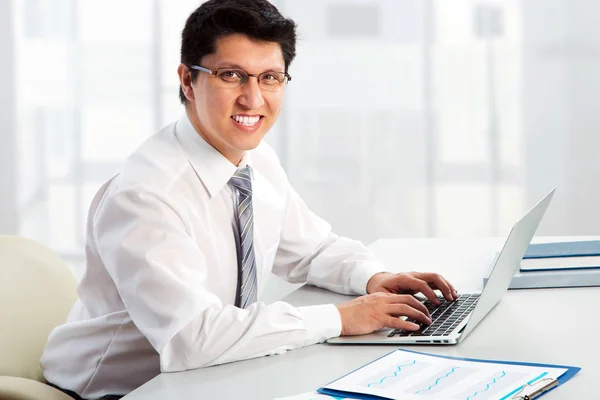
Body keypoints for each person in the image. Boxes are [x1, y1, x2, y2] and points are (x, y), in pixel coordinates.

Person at [41, 1, 458, 399]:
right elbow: (191, 338)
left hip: (213, 375)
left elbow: (311, 249)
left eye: (270, 78)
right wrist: (340, 319)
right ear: (188, 80)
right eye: (231, 75)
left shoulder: (253, 159)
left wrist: (372, 279)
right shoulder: (145, 195)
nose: (253, 99)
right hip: (121, 389)